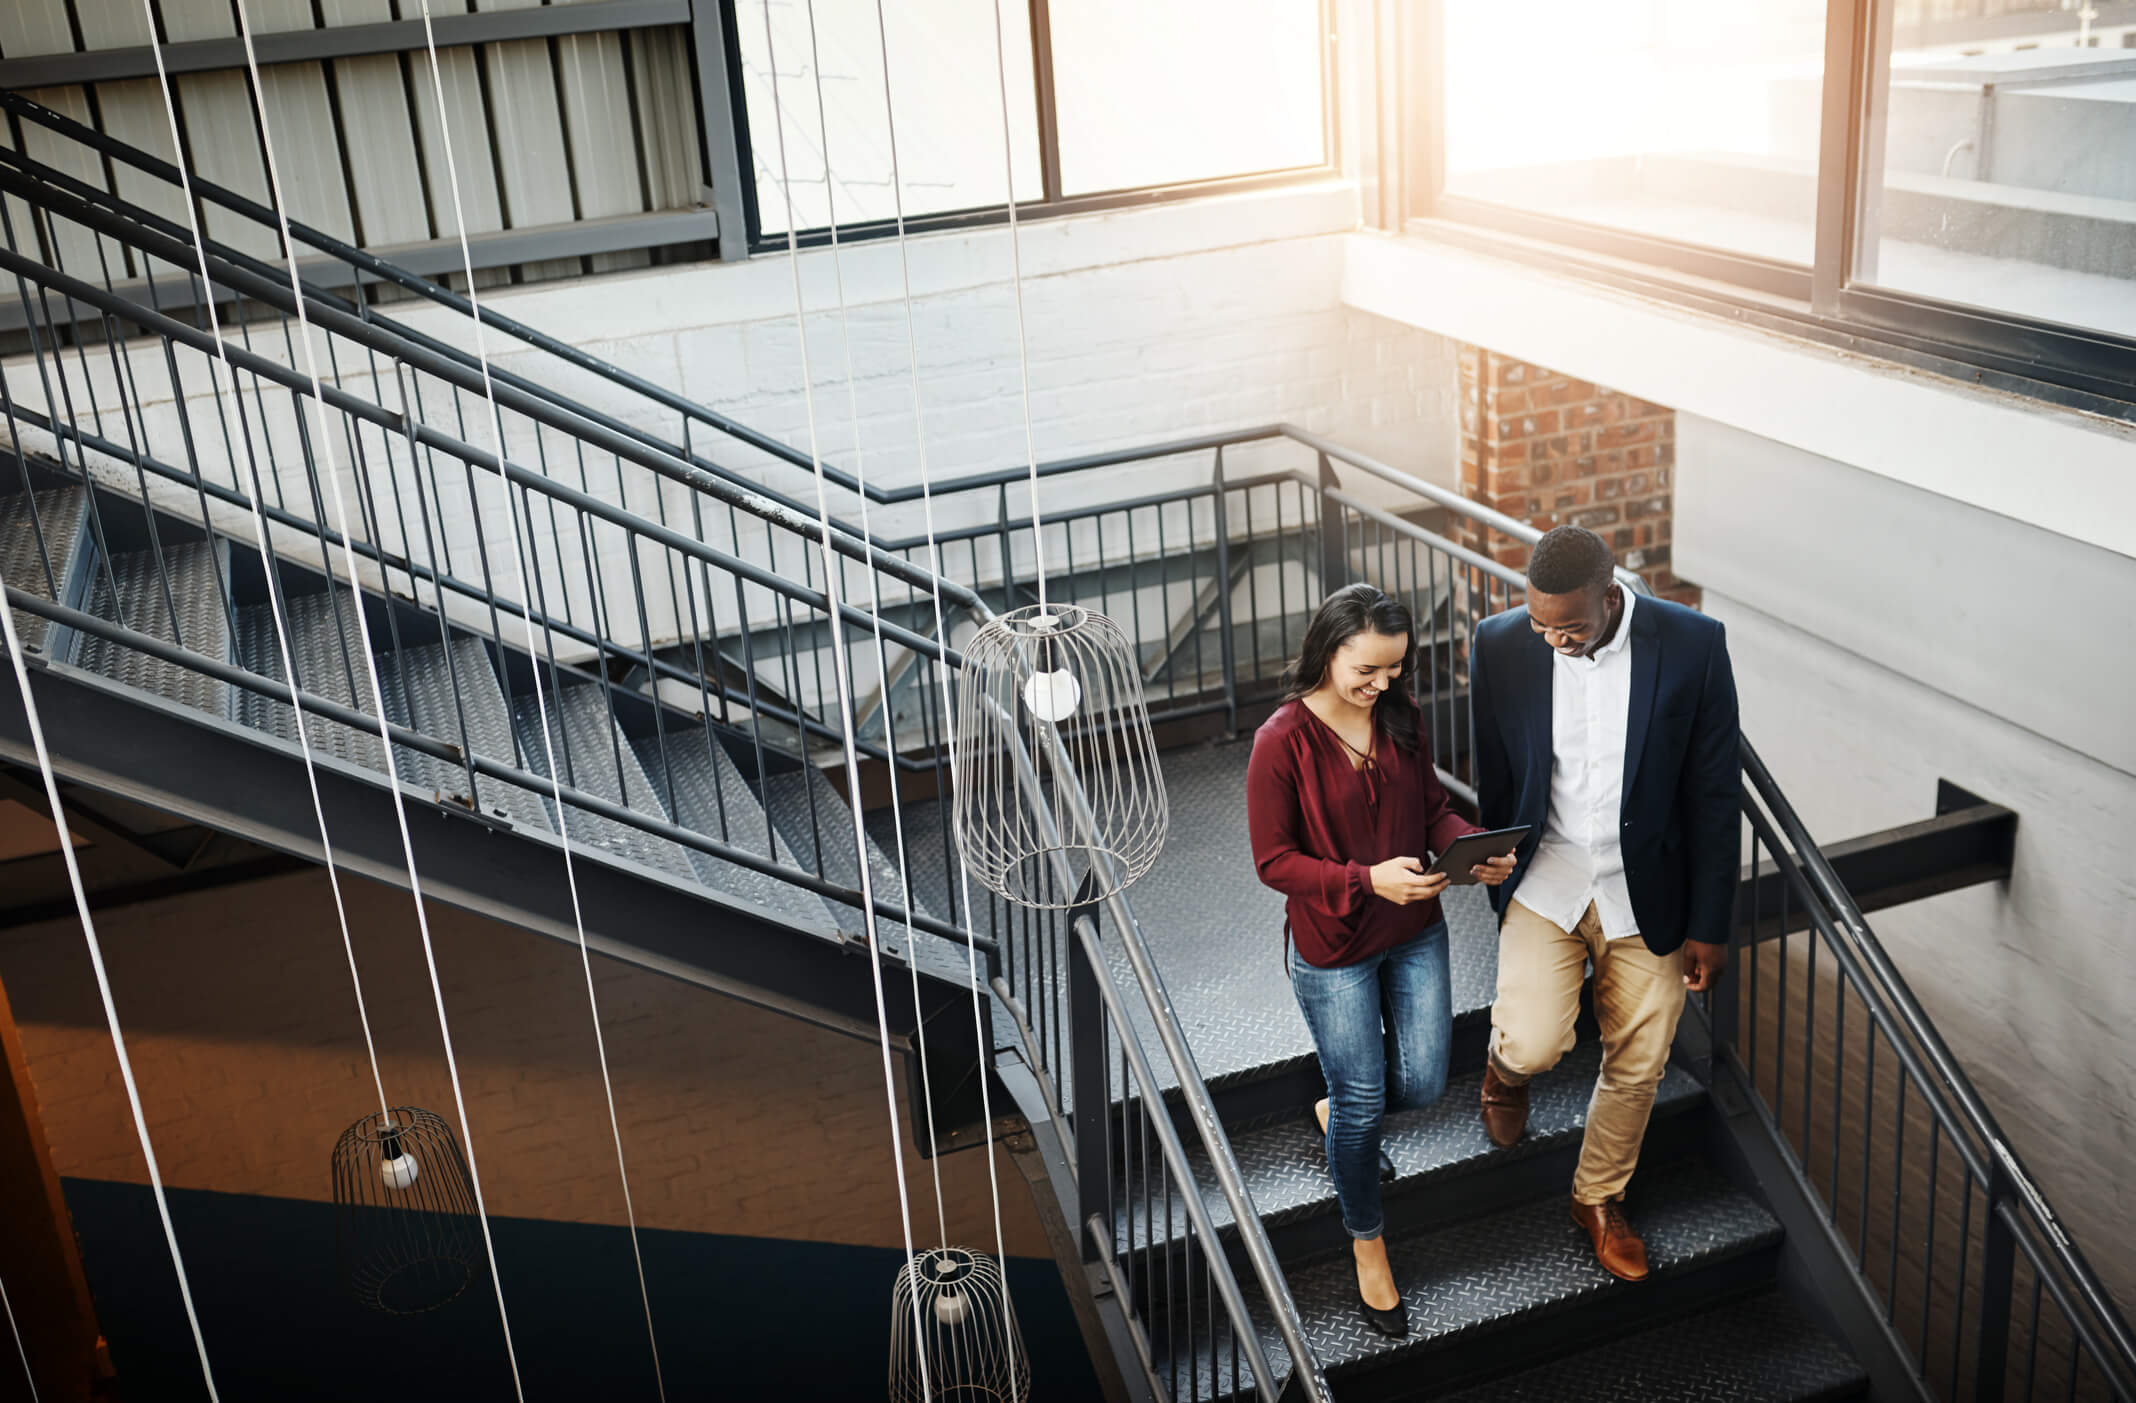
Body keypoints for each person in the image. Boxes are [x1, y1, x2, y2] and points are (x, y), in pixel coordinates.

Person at [1467, 525, 1739, 1283]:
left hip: (1646, 890)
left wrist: (1710, 926)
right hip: (1548, 877)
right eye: (1541, 623)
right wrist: (1494, 857)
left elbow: (1717, 798)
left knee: (1640, 1059)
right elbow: (1494, 770)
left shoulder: (1694, 645)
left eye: (1571, 627)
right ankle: (1503, 1070)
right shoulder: (1498, 644)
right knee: (1534, 1041)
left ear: (1611, 595)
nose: (1553, 638)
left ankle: (1598, 1197)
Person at [1247, 583, 1516, 1339]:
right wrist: (1367, 879)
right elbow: (1273, 862)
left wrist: (1471, 841)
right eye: (1368, 668)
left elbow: (1431, 808)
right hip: (1333, 948)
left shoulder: (1401, 715)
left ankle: (1341, 1117)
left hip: (1417, 926)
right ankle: (1368, 1237)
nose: (1383, 684)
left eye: (1394, 669)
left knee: (1426, 1079)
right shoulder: (1281, 741)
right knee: (1364, 1098)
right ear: (1328, 648)